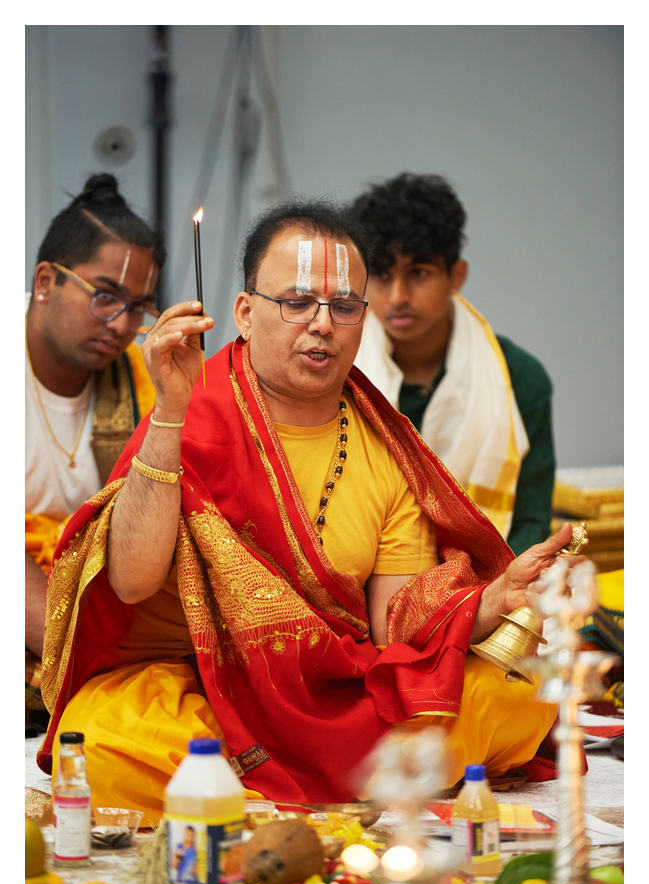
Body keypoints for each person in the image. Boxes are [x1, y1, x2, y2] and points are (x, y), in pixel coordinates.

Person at [37, 200, 573, 826]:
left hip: (332, 689)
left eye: (344, 307)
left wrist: (489, 602)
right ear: (243, 312)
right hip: (200, 688)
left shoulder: (384, 446)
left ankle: (264, 803)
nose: (321, 324)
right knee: (106, 738)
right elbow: (130, 581)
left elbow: (391, 629)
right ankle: (351, 793)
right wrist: (169, 416)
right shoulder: (195, 413)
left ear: (361, 320)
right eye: (295, 302)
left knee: (513, 698)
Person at [349, 173, 556, 556]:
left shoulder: (519, 379)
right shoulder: (338, 373)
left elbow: (530, 525)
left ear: (456, 276)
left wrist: (482, 602)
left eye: (418, 273)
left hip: (488, 590)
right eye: (381, 275)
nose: (398, 296)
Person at [26, 173, 164, 725]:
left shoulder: (141, 382)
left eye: (139, 306)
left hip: (99, 616)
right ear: (44, 282)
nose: (124, 324)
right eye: (105, 296)